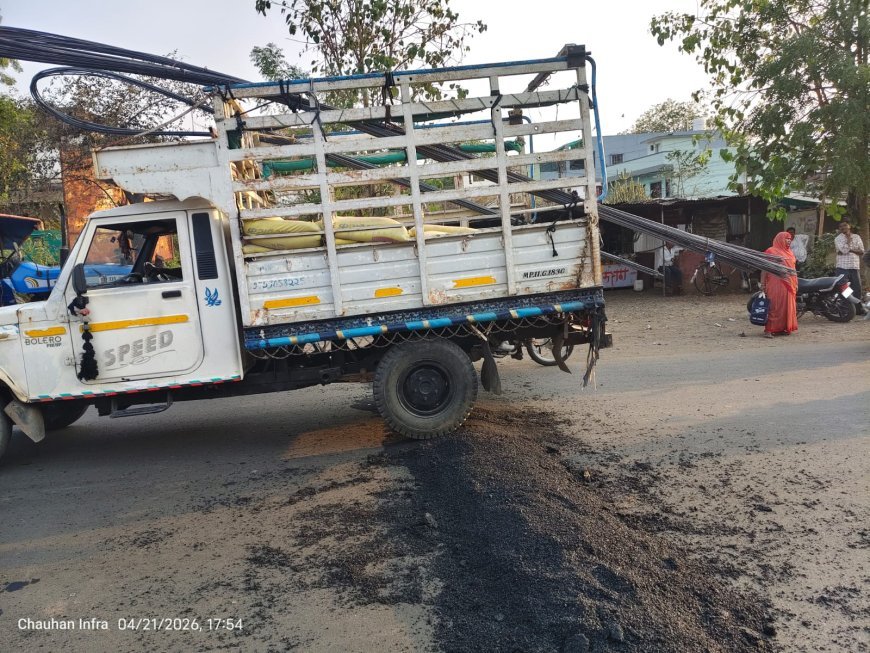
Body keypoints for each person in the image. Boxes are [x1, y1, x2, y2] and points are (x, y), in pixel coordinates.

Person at [761, 231, 798, 338]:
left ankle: (782, 328)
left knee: (787, 306)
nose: (789, 240)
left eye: (790, 238)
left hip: (789, 284)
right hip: (775, 283)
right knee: (774, 306)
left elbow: (793, 269)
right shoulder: (771, 251)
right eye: (787, 238)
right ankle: (769, 330)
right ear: (780, 239)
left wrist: (796, 283)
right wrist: (762, 284)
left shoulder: (790, 252)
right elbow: (764, 269)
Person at [834, 220, 866, 316]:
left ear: (849, 226)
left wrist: (849, 249)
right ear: (839, 229)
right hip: (842, 266)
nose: (843, 227)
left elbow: (861, 251)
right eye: (841, 226)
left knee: (857, 288)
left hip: (854, 266)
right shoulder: (838, 239)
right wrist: (848, 241)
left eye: (845, 225)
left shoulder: (857, 237)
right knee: (844, 288)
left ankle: (858, 309)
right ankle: (846, 308)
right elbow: (842, 251)